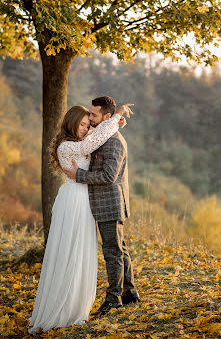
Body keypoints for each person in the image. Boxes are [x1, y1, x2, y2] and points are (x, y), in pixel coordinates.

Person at [28, 102, 133, 334]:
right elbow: (94, 141)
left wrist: (115, 123)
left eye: (88, 123)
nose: (86, 128)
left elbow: (99, 137)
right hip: (74, 202)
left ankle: (81, 303)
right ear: (72, 123)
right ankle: (64, 306)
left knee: (85, 253)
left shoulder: (79, 142)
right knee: (70, 252)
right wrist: (115, 118)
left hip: (85, 203)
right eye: (83, 124)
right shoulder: (67, 147)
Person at [63, 96, 140, 317]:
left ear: (106, 116)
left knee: (112, 252)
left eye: (93, 115)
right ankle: (130, 293)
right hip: (104, 204)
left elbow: (108, 176)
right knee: (119, 249)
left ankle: (113, 299)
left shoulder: (114, 141)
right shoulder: (102, 134)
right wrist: (116, 120)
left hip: (110, 204)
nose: (89, 117)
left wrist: (79, 175)